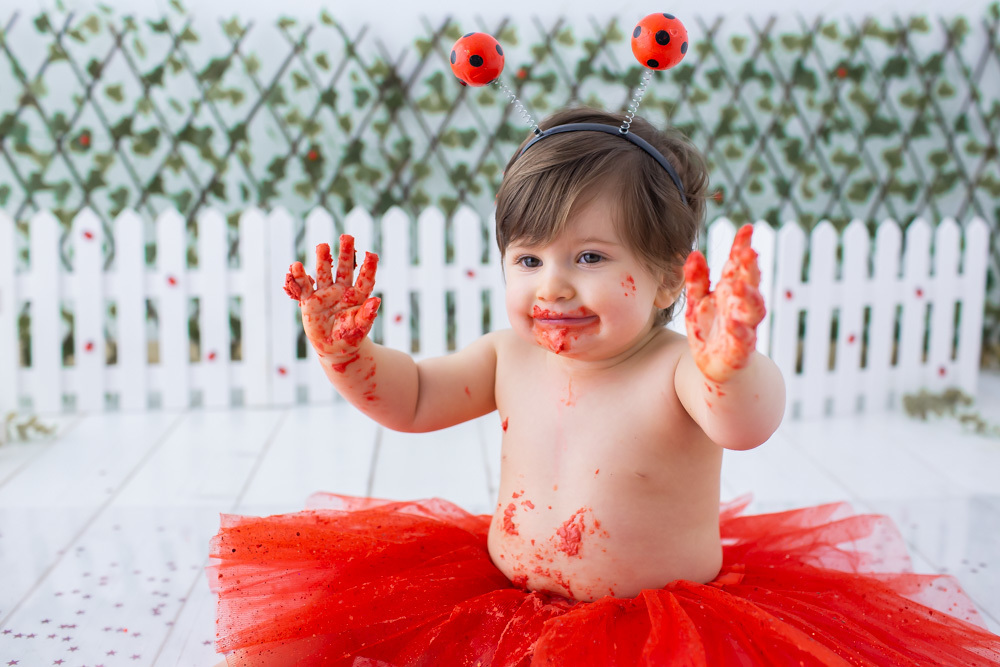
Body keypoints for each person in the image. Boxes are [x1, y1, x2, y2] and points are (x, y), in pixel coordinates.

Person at [209, 108, 1000, 666]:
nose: (552, 285)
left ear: (663, 282)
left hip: (655, 628)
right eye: (529, 259)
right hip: (507, 599)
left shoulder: (676, 369)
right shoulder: (507, 356)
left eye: (589, 257)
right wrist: (346, 356)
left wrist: (729, 362)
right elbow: (412, 399)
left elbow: (746, 423)